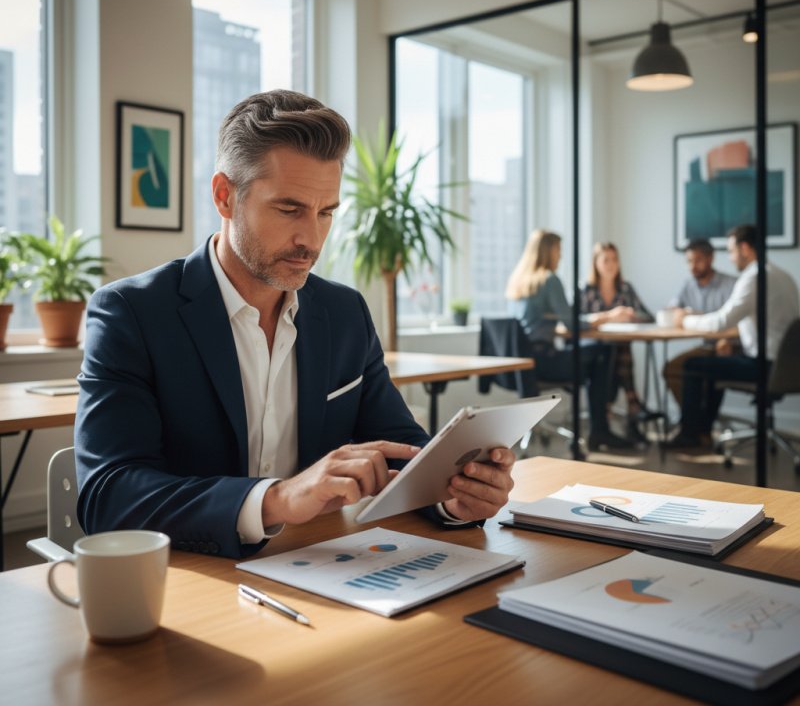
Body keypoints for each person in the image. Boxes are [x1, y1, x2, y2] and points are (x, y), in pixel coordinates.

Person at [74, 90, 514, 559]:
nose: (311, 239)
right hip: (192, 575)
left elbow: (399, 448)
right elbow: (109, 494)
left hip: (318, 566)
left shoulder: (344, 313)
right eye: (289, 209)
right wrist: (278, 499)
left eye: (326, 213)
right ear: (225, 196)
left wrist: (453, 495)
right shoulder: (131, 312)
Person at [671, 224, 799, 448]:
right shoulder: (784, 276)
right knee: (714, 362)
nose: (730, 258)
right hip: (788, 367)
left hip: (764, 365)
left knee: (692, 365)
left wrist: (685, 320)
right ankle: (703, 432)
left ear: (745, 248)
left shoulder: (754, 277)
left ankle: (690, 434)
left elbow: (720, 322)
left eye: (731, 251)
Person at [506, 229, 634, 450]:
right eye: (558, 250)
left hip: (519, 365)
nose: (561, 256)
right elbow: (571, 323)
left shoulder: (518, 281)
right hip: (542, 361)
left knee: (594, 354)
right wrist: (607, 317)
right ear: (548, 252)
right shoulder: (549, 280)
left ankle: (602, 427)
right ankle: (600, 430)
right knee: (603, 352)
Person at [579, 242, 654, 441]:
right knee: (615, 353)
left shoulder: (625, 289)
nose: (611, 264)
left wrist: (631, 316)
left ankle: (605, 414)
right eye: (606, 260)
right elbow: (575, 320)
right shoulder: (586, 290)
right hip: (592, 350)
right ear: (595, 263)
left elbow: (648, 316)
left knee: (618, 350)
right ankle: (633, 404)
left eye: (614, 259)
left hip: (616, 348)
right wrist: (608, 317)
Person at [662, 238, 737, 405]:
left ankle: (699, 417)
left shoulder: (731, 284)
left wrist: (728, 339)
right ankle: (692, 416)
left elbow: (740, 320)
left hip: (731, 344)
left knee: (698, 368)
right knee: (672, 369)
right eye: (689, 261)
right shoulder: (689, 285)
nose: (692, 266)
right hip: (707, 346)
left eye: (698, 260)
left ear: (710, 258)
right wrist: (678, 312)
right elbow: (672, 308)